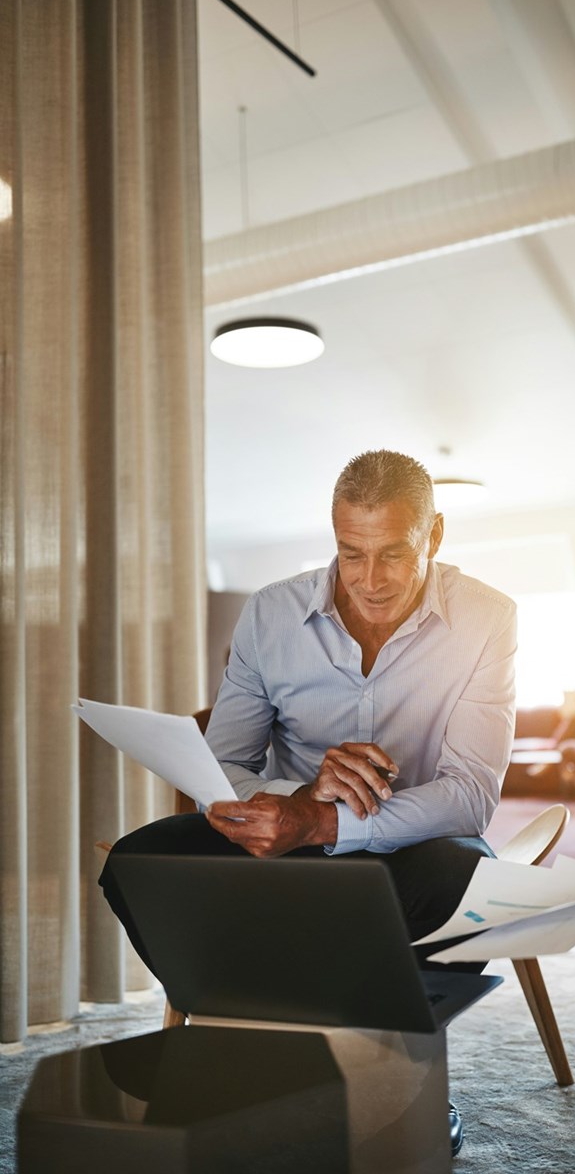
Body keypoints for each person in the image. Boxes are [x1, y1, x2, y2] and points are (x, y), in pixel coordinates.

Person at [100, 448, 516, 1158]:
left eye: (393, 554)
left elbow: (471, 795)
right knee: (138, 864)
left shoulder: (488, 619)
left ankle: (398, 1078)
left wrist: (332, 819)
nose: (370, 581)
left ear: (435, 536)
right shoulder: (271, 614)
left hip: (408, 847)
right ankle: (258, 1045)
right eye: (351, 554)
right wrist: (298, 800)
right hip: (281, 842)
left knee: (467, 882)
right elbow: (224, 764)